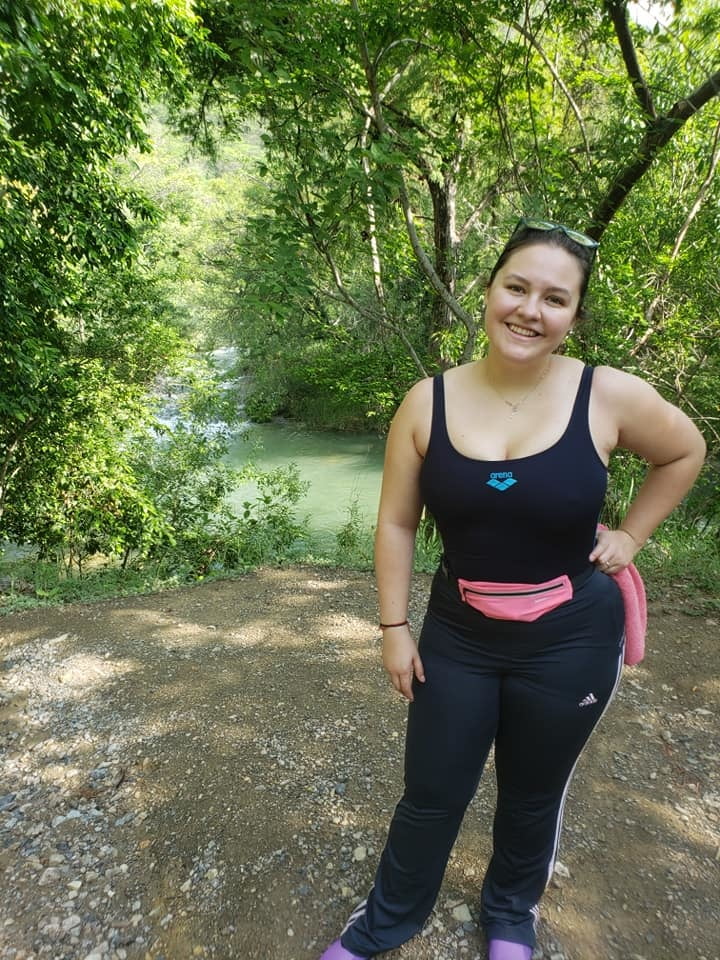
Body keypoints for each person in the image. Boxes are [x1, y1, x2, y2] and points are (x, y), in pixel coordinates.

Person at [318, 218, 706, 960]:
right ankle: (385, 922)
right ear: (489, 291)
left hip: (573, 638)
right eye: (517, 287)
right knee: (431, 792)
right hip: (458, 635)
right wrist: (393, 627)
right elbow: (397, 524)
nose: (531, 310)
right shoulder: (425, 402)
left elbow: (686, 450)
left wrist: (631, 535)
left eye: (555, 299)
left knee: (534, 793)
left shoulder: (608, 395)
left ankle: (509, 918)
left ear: (574, 316)